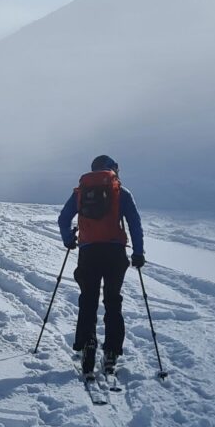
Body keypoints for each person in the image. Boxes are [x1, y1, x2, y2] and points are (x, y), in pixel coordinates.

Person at [58, 154, 145, 375]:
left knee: (88, 300)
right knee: (113, 301)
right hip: (115, 253)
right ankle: (112, 352)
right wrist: (137, 253)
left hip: (89, 253)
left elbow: (63, 218)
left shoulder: (80, 192)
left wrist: (69, 239)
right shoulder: (121, 192)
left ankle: (87, 345)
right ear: (112, 169)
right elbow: (135, 223)